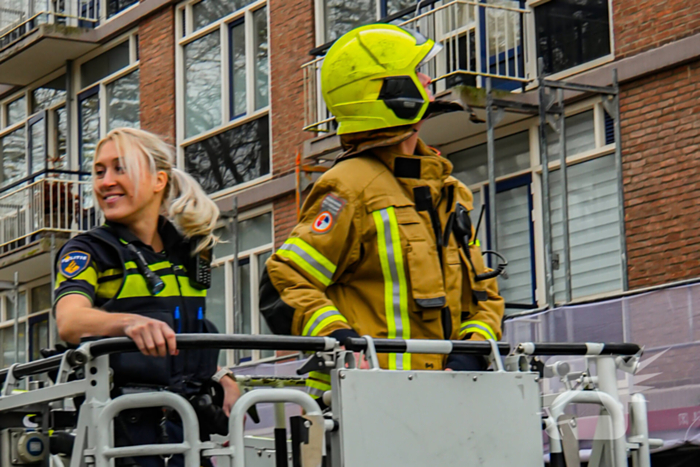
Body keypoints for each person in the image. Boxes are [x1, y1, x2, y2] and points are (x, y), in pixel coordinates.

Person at [260, 24, 505, 401]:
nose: (427, 79)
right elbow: (284, 282)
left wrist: (472, 352)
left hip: (451, 401)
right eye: (415, 72)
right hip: (368, 404)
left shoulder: (447, 190)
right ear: (388, 92)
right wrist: (340, 343)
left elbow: (485, 295)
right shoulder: (348, 185)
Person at [54, 128, 240, 467]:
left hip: (187, 433)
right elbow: (69, 321)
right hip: (124, 435)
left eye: (120, 168)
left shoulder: (190, 251)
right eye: (99, 171)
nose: (105, 181)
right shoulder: (88, 250)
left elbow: (185, 329)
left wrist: (221, 375)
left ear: (158, 181)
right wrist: (128, 323)